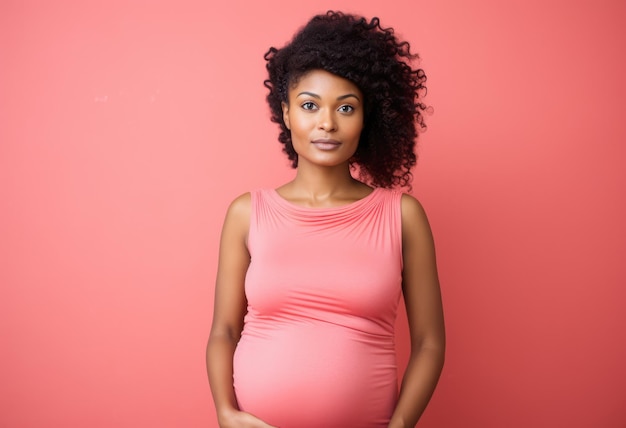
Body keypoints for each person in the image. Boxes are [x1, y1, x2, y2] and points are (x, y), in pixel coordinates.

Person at [206, 10, 445, 428]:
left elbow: (429, 342)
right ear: (286, 113)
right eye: (310, 105)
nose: (327, 123)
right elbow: (224, 330)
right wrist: (225, 414)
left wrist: (400, 425)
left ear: (366, 117)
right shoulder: (247, 213)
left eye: (346, 107)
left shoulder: (402, 216)